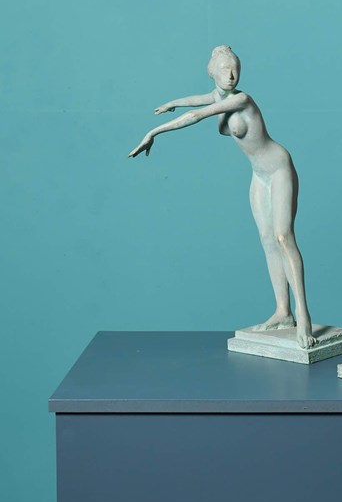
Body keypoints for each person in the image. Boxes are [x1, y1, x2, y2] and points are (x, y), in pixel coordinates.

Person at [129, 46, 316, 349]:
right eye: (224, 69)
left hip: (278, 167)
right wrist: (171, 104)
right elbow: (195, 100)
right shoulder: (218, 95)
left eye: (234, 68)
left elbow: (196, 114)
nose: (230, 75)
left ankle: (304, 318)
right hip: (259, 174)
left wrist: (154, 132)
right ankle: (283, 312)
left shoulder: (242, 99)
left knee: (283, 237)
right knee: (267, 240)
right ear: (212, 73)